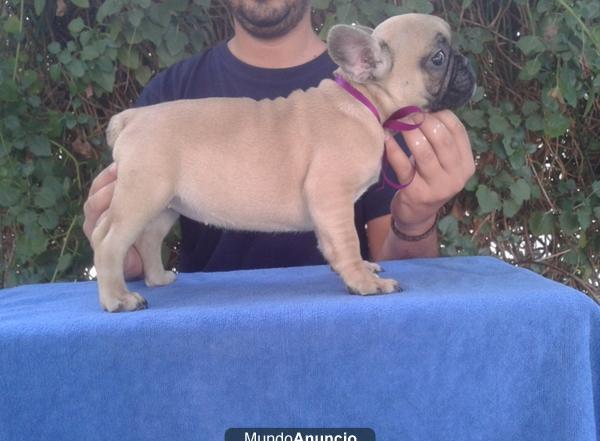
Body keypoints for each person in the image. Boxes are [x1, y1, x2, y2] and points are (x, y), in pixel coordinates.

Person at [83, 0, 475, 279]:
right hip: (200, 331)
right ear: (362, 61)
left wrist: (417, 218)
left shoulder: (386, 119)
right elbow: (329, 195)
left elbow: (404, 270)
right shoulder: (169, 99)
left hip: (333, 328)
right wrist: (122, 255)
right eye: (436, 60)